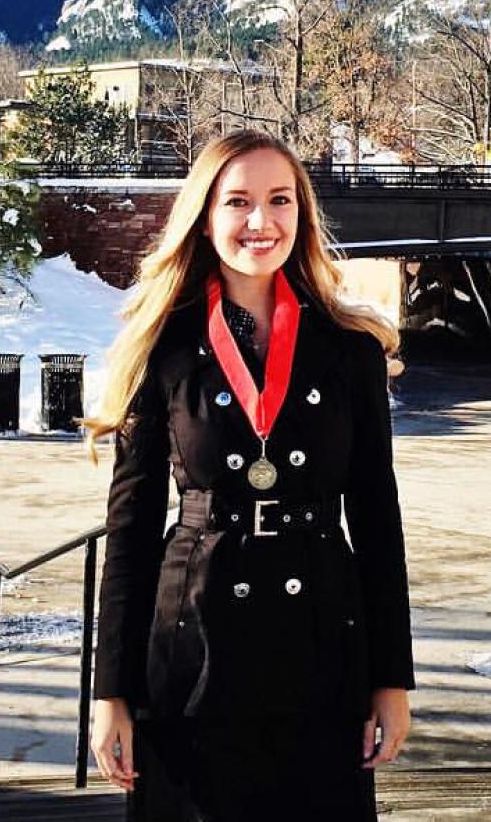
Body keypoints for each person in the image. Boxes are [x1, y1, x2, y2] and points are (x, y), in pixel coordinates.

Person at [81, 130, 415, 821]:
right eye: (238, 202)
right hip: (192, 644)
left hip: (322, 641)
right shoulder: (164, 347)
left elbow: (379, 524)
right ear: (205, 216)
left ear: (303, 212)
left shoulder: (351, 351)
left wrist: (392, 681)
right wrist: (109, 691)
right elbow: (131, 530)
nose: (261, 223)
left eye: (279, 200)